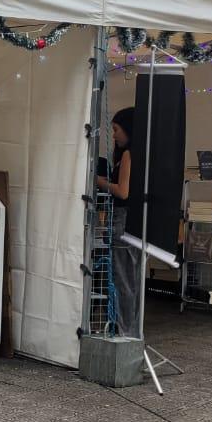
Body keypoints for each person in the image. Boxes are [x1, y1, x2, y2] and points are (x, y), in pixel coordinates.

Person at [95, 107, 140, 337]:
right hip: (134, 223)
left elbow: (123, 191)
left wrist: (100, 182)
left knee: (123, 282)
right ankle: (129, 331)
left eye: (116, 130)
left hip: (122, 222)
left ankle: (125, 333)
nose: (114, 135)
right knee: (130, 282)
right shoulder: (142, 153)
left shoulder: (128, 155)